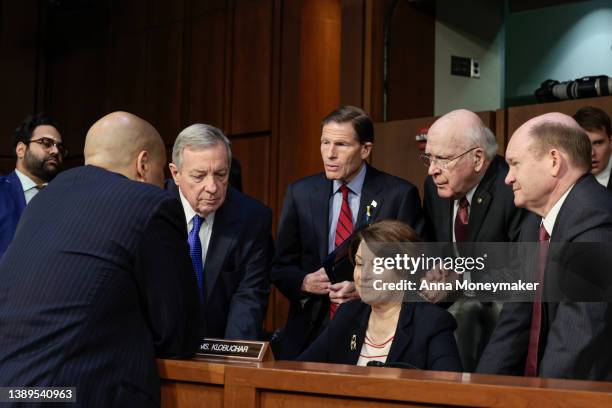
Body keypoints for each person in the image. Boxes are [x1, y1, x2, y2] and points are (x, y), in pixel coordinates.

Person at [0, 111, 202, 406]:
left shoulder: (44, 198)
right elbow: (180, 335)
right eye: (161, 175)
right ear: (143, 164)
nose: (161, 185)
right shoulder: (151, 204)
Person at [272, 105, 426, 359]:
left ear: (365, 149)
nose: (329, 154)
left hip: (373, 330)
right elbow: (280, 267)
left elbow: (415, 269)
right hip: (309, 333)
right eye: (325, 142)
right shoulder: (300, 193)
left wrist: (366, 288)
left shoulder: (398, 195)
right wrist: (303, 282)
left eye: (341, 145)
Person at [477, 112, 612, 380]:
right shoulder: (533, 224)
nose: (508, 178)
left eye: (515, 164)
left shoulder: (596, 220)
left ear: (554, 162)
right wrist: (478, 392)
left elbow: (576, 340)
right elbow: (514, 324)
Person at [421, 109, 525, 371]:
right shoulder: (434, 188)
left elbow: (525, 273)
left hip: (502, 326)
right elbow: (432, 251)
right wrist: (432, 275)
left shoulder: (513, 188)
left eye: (442, 159)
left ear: (478, 159)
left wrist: (462, 280)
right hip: (447, 318)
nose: (433, 170)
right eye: (429, 158)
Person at [297, 220, 462, 371]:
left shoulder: (432, 322)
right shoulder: (348, 314)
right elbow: (298, 371)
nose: (364, 275)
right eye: (360, 264)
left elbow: (450, 391)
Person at [168, 124, 272, 340]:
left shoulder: (252, 219)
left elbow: (248, 299)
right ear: (176, 173)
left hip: (220, 349)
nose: (213, 187)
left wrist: (231, 366)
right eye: (199, 176)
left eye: (220, 174)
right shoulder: (153, 209)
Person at [0, 114, 65, 259]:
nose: (55, 151)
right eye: (46, 143)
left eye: (60, 147)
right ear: (21, 150)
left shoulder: (68, 198)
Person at [573, 106, 612, 190]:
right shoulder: (566, 179)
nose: (592, 153)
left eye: (598, 143)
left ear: (610, 142)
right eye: (583, 144)